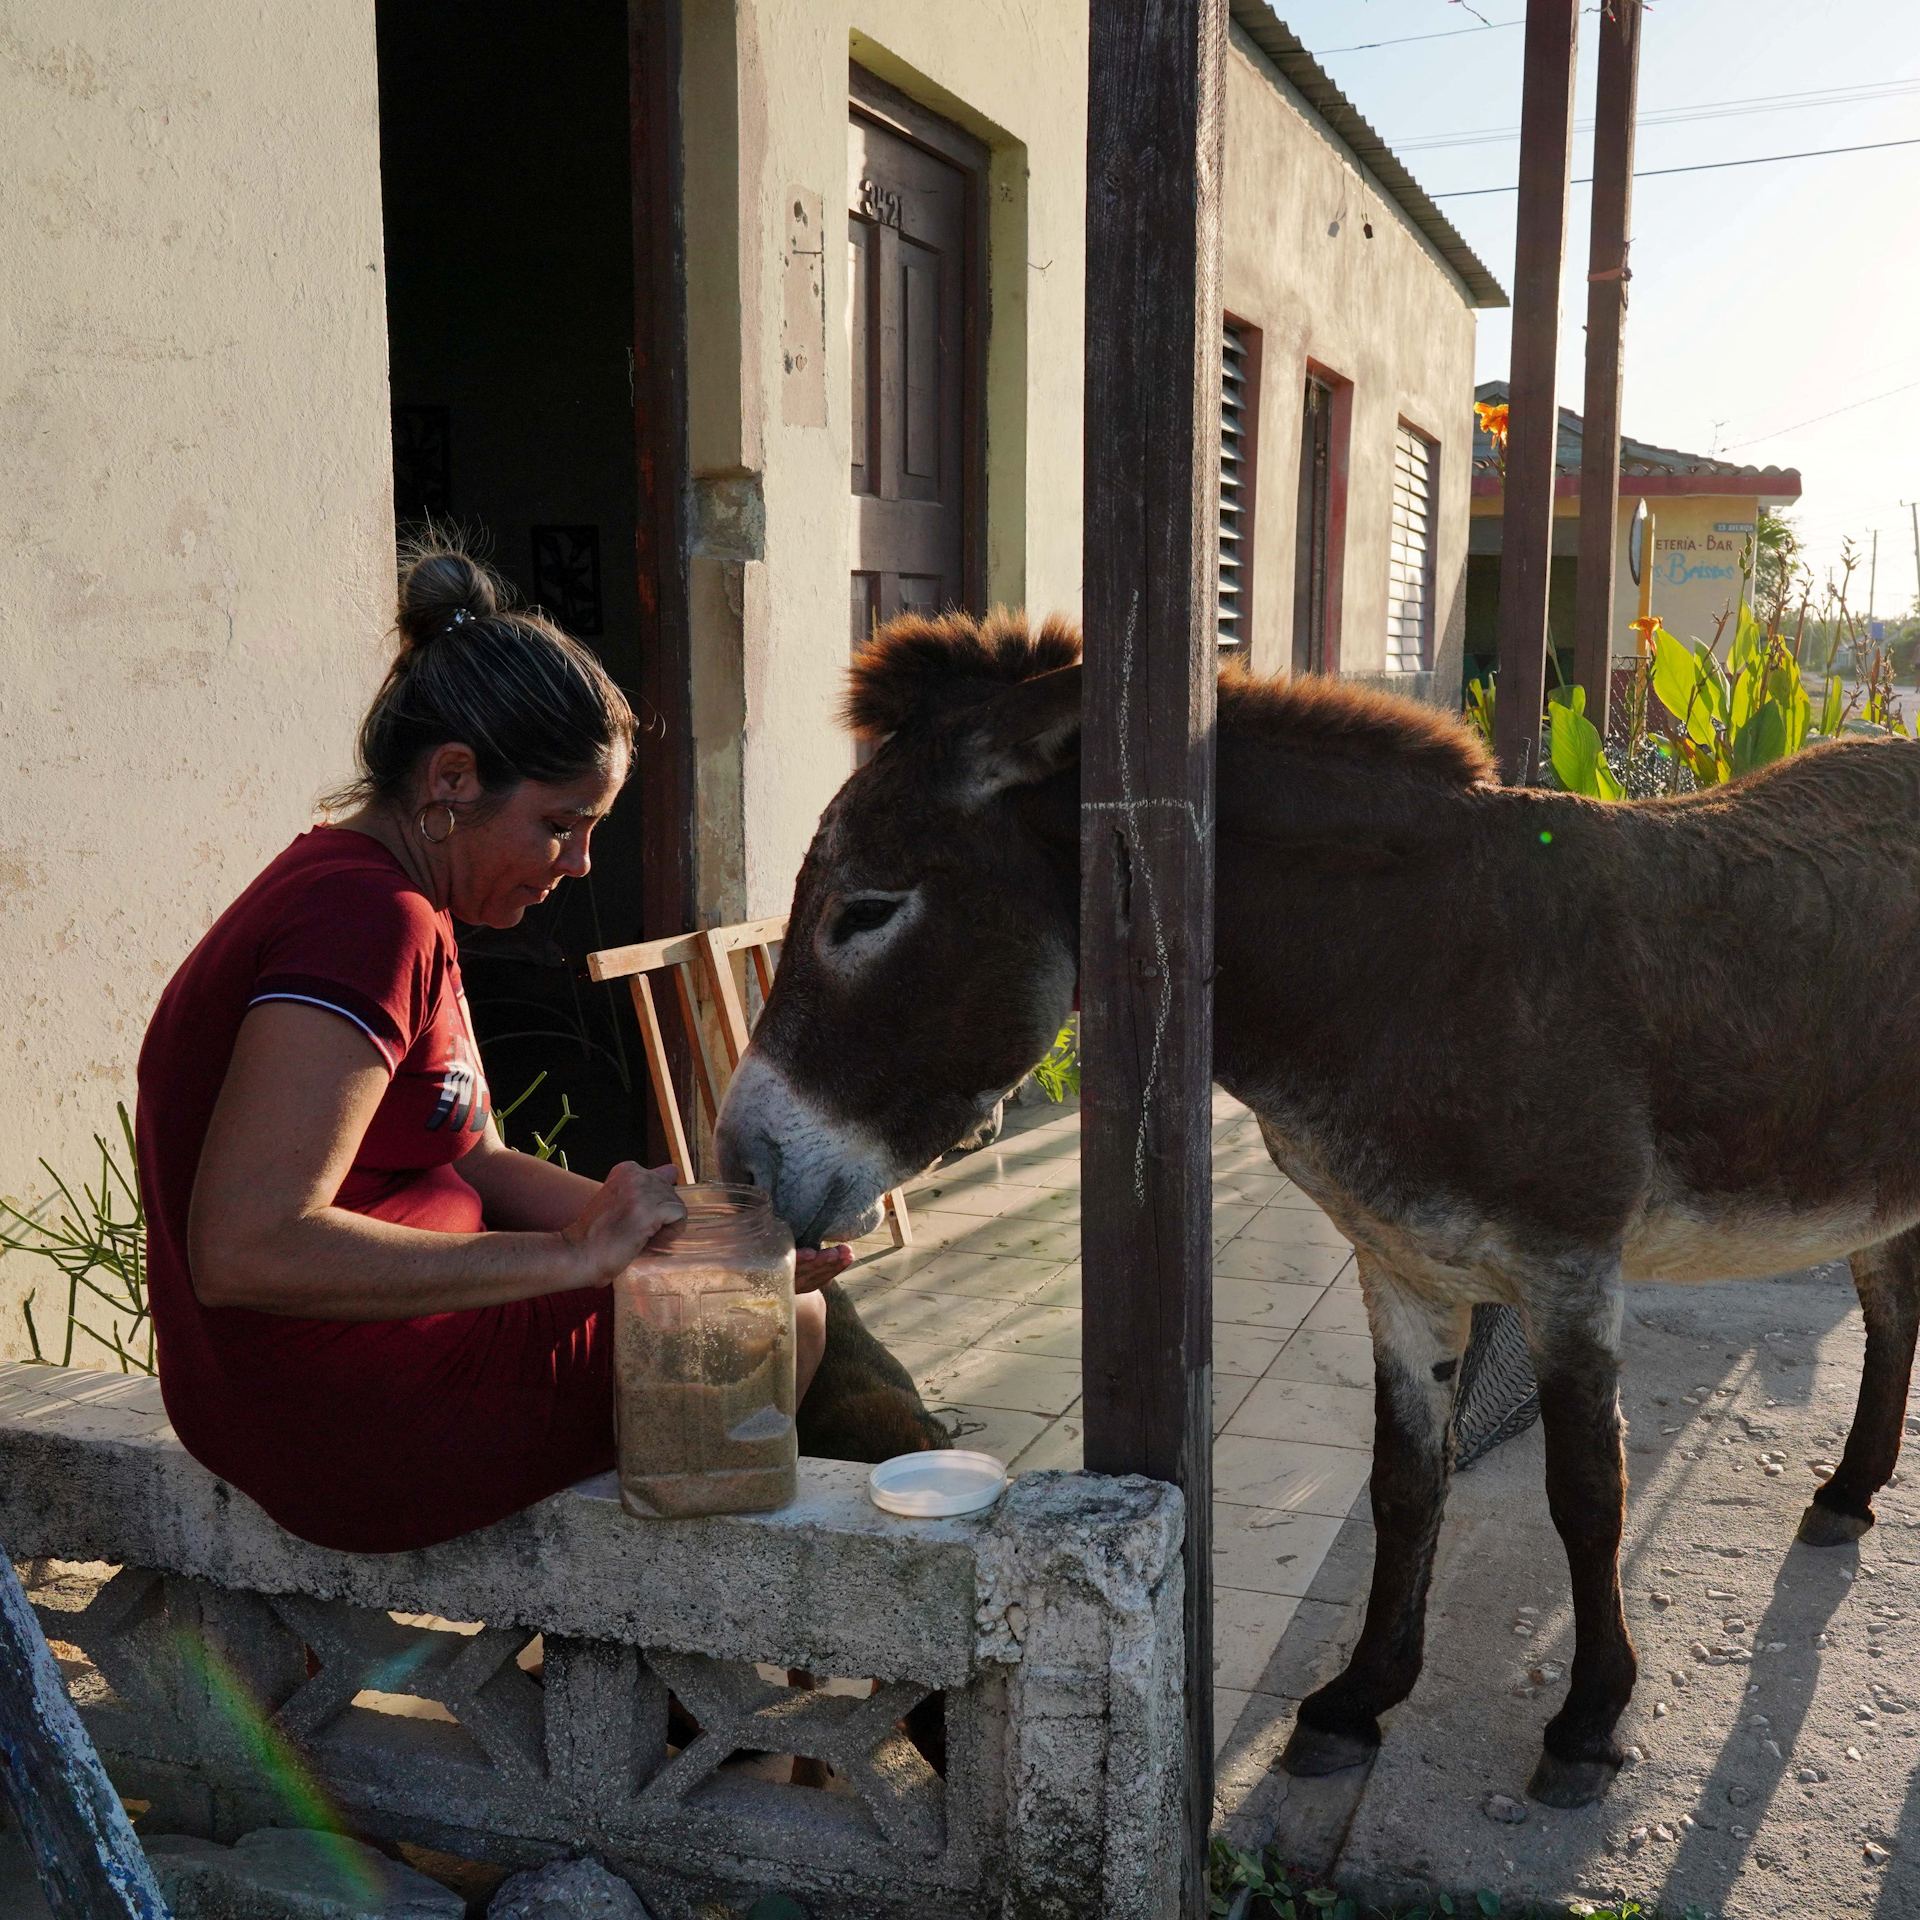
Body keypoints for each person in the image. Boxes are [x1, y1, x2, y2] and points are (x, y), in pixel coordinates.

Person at [136, 544, 843, 1554]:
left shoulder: (395, 897)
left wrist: (692, 1235)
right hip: (346, 1417)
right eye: (560, 824)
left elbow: (470, 1159)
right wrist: (570, 1258)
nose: (581, 862)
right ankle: (653, 1642)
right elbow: (247, 1245)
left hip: (323, 1388)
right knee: (779, 1331)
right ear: (454, 779)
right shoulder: (361, 919)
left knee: (750, 1286)